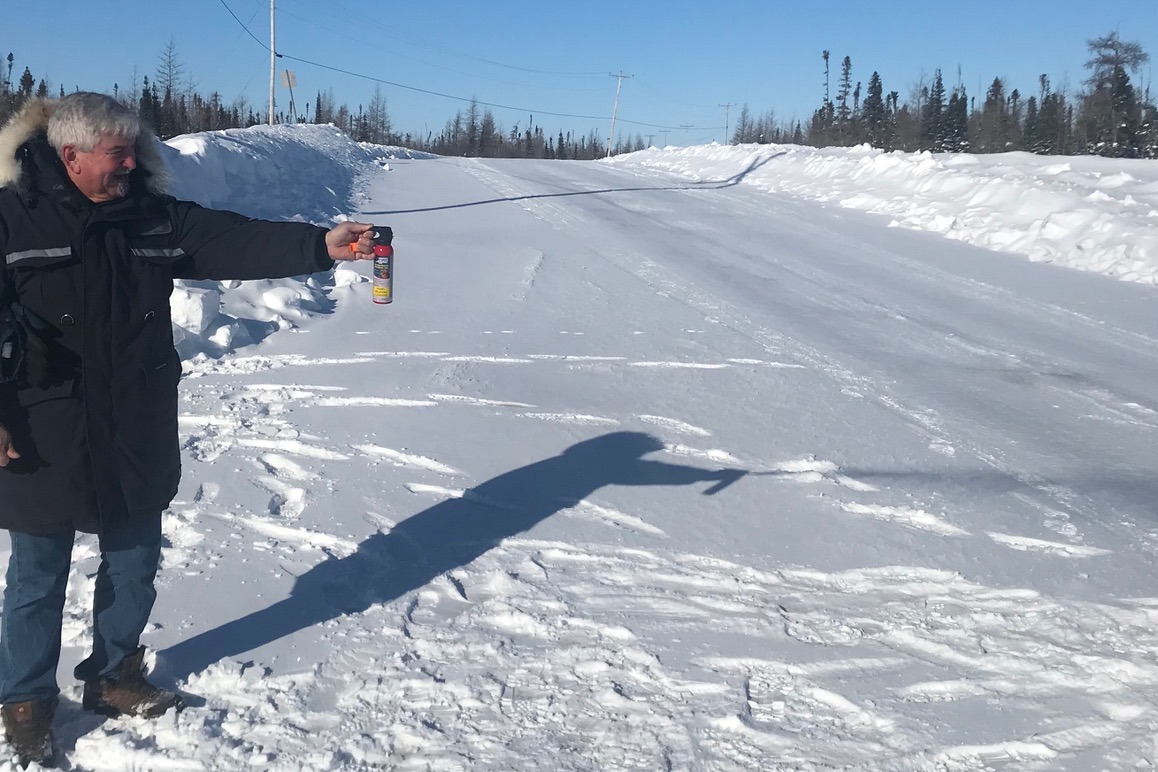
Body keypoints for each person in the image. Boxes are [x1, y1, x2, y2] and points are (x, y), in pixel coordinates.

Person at [0, 92, 379, 767]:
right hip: (42, 423)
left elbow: (231, 238)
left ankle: (114, 675)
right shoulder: (10, 218)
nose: (132, 163)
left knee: (134, 561)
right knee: (37, 574)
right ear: (71, 156)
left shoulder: (150, 215)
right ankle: (25, 702)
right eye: (118, 153)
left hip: (134, 420)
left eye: (133, 151)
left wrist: (320, 245)